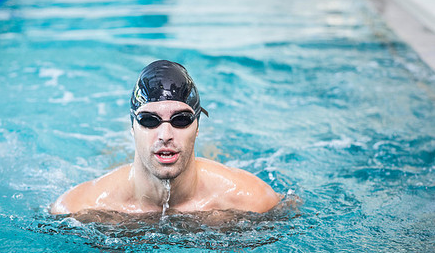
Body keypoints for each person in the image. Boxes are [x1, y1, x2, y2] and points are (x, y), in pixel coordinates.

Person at [50, 60, 280, 215]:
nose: (166, 135)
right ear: (132, 127)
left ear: (197, 126)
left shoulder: (252, 200)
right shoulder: (83, 208)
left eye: (181, 120)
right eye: (149, 120)